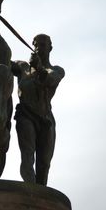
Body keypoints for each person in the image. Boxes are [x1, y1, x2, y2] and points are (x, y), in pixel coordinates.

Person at [11, 34, 64, 185]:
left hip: (46, 119)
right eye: (36, 45)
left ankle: (40, 194)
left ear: (50, 48)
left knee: (44, 164)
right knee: (27, 157)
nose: (38, 48)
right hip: (25, 115)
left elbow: (49, 80)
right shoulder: (22, 67)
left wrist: (39, 68)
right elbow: (1, 61)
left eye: (42, 45)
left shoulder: (56, 70)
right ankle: (31, 190)